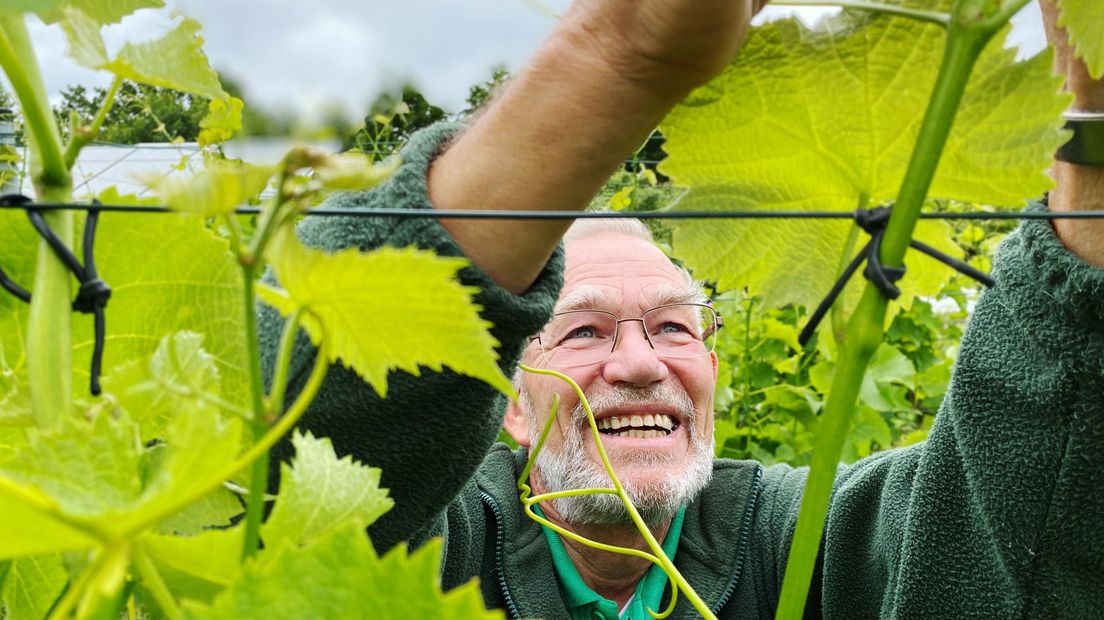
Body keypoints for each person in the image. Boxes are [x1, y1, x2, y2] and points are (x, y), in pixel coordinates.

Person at [261, 0, 1103, 617]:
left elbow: (1014, 523)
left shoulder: (792, 538)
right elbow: (302, 449)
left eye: (673, 326)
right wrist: (621, 55)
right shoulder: (448, 550)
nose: (639, 363)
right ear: (509, 405)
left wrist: (1093, 137)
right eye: (585, 330)